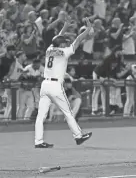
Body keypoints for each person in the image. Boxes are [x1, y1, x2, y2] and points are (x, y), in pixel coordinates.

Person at [34, 18, 93, 148]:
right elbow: (77, 40)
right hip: (55, 86)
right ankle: (78, 136)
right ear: (60, 45)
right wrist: (87, 30)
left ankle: (38, 141)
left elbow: (57, 39)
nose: (66, 44)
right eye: (64, 43)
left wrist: (65, 26)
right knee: (68, 112)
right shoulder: (63, 52)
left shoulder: (49, 50)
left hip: (45, 85)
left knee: (41, 115)